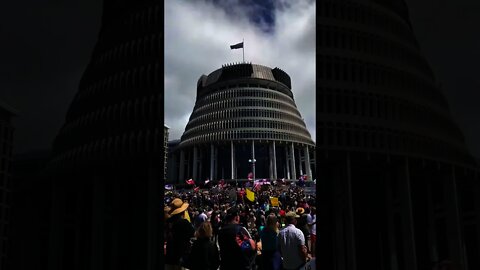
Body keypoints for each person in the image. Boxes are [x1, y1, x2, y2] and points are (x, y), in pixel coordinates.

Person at [165, 198, 195, 270]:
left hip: (170, 255)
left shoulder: (168, 222)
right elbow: (193, 233)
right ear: (182, 212)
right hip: (181, 256)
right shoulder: (184, 222)